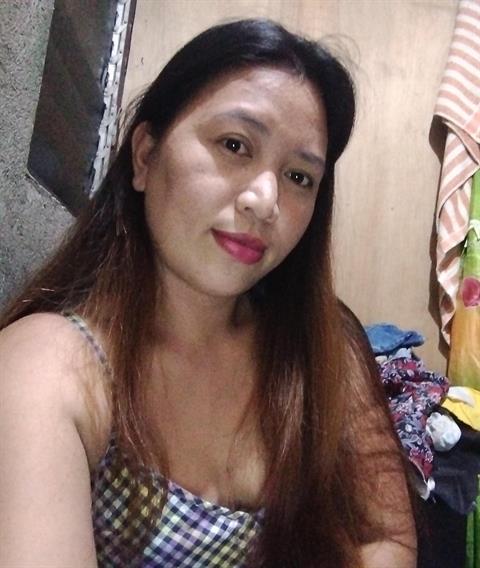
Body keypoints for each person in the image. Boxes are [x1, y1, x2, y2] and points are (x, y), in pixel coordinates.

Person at [0, 18, 416, 567]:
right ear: (145, 155)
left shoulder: (322, 348)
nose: (265, 200)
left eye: (299, 177)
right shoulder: (47, 368)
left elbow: (383, 539)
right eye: (234, 145)